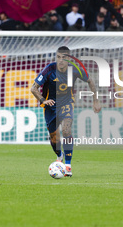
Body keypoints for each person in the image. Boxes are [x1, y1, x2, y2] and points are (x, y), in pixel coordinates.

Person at [30, 46, 101, 177]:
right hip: (50, 106)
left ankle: (68, 165)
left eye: (64, 58)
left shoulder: (75, 69)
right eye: (58, 57)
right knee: (53, 136)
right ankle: (59, 155)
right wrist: (42, 100)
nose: (60, 60)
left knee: (67, 130)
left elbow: (90, 81)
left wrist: (95, 100)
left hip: (67, 103)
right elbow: (34, 88)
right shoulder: (49, 69)